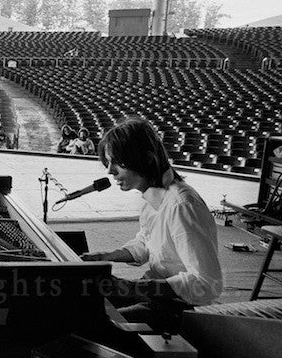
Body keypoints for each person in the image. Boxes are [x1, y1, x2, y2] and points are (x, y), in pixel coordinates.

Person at [81, 117, 222, 331]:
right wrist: (105, 257)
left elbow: (207, 283)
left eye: (117, 162)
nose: (110, 171)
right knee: (83, 303)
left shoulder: (181, 206)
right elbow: (148, 242)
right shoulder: (153, 195)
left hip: (181, 309)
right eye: (108, 163)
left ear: (146, 159)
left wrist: (133, 287)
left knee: (96, 327)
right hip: (157, 296)